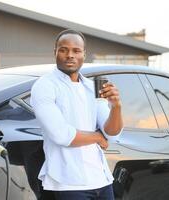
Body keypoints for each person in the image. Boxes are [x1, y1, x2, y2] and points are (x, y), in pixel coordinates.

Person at [30, 29, 123, 200]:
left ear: (84, 54)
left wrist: (116, 106)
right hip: (67, 183)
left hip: (101, 180)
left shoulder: (92, 87)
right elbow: (61, 135)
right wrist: (98, 137)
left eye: (76, 50)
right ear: (55, 53)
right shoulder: (45, 86)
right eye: (64, 50)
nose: (70, 55)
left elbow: (111, 134)